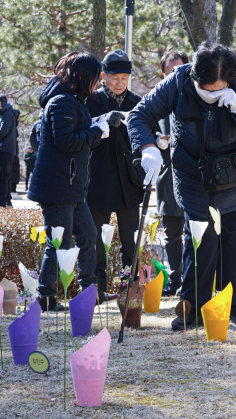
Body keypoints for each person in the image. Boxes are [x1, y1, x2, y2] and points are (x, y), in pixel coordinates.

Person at [128, 42, 236, 330]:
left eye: (219, 89)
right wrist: (147, 147)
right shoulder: (178, 82)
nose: (212, 95)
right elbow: (139, 115)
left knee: (233, 241)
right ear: (194, 76)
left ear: (230, 79)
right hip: (193, 177)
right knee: (198, 241)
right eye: (207, 89)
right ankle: (192, 309)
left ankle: (233, 304)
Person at [28, 52, 109, 310]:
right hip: (58, 188)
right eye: (95, 77)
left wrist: (99, 124)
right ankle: (47, 297)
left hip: (71, 186)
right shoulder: (62, 101)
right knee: (59, 243)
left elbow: (76, 130)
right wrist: (98, 131)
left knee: (88, 234)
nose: (98, 82)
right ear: (82, 75)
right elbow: (66, 141)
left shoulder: (74, 100)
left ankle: (89, 291)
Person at [86, 49, 144, 301]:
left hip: (128, 182)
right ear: (103, 76)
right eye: (114, 77)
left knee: (130, 242)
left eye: (124, 77)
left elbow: (146, 135)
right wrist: (103, 120)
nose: (120, 82)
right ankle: (97, 289)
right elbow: (82, 132)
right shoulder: (91, 101)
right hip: (98, 180)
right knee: (97, 241)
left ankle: (128, 289)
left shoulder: (138, 102)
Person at [155, 51, 189, 297]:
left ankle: (194, 278)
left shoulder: (198, 95)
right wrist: (157, 139)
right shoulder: (156, 98)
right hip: (167, 174)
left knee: (196, 231)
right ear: (163, 73)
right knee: (171, 234)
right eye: (170, 71)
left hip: (193, 176)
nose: (176, 75)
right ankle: (175, 278)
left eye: (180, 69)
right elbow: (143, 126)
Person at [0, 94, 19, 208]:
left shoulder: (7, 114)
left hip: (5, 149)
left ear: (2, 103)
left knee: (2, 176)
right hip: (6, 149)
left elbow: (2, 131)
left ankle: (2, 202)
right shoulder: (6, 114)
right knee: (6, 176)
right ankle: (7, 201)